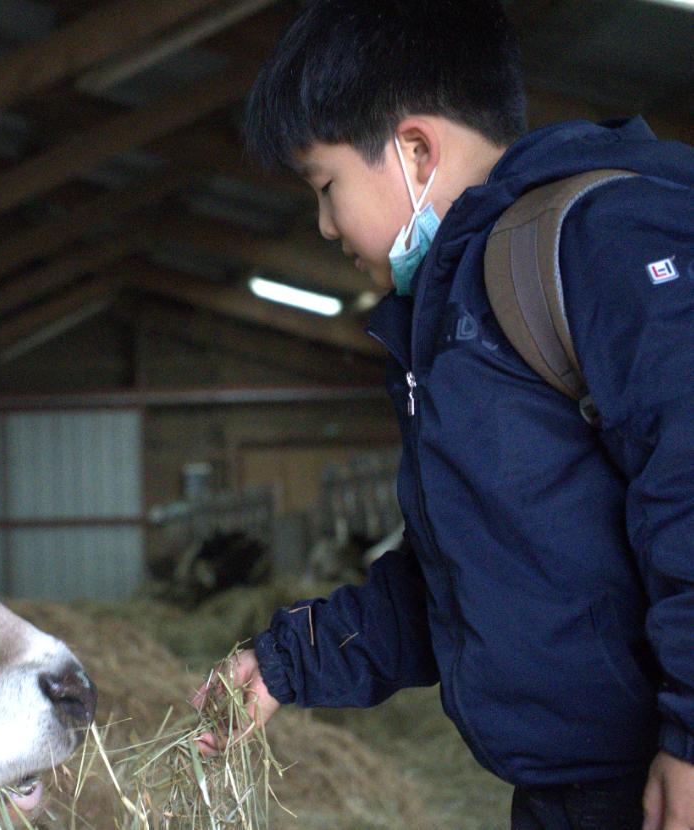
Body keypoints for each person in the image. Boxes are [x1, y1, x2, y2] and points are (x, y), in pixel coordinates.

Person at [191, 2, 694, 828]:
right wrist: (288, 661)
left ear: (414, 148)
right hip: (570, 796)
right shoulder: (451, 324)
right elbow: (477, 578)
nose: (322, 225)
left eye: (326, 187)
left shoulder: (601, 242)